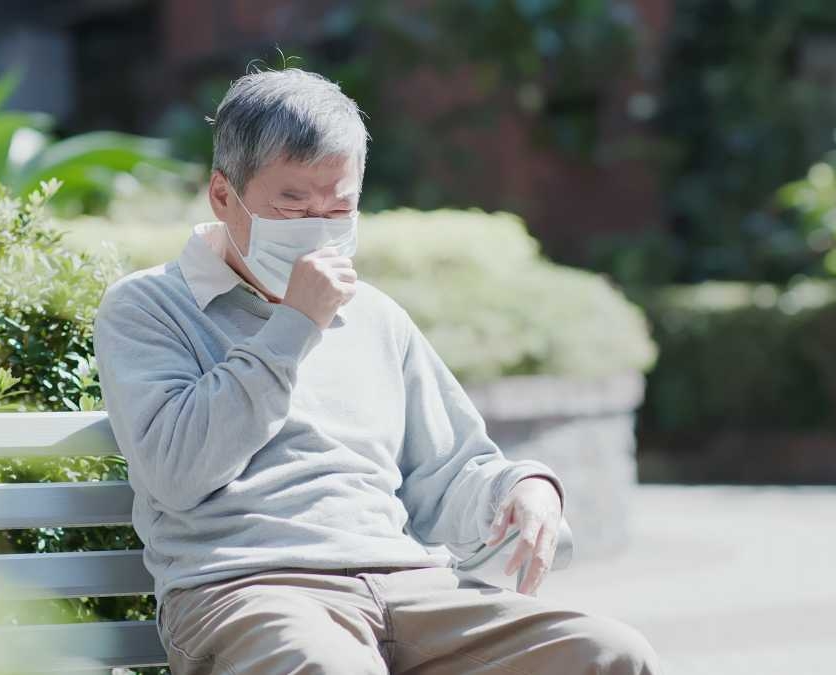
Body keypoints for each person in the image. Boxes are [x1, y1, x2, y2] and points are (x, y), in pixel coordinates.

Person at [92, 67, 659, 675]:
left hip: (412, 590)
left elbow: (448, 471)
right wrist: (294, 326)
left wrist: (522, 489)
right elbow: (177, 472)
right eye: (293, 205)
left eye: (339, 209)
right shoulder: (148, 307)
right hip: (253, 590)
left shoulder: (376, 316)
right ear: (223, 195)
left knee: (610, 656)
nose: (319, 228)